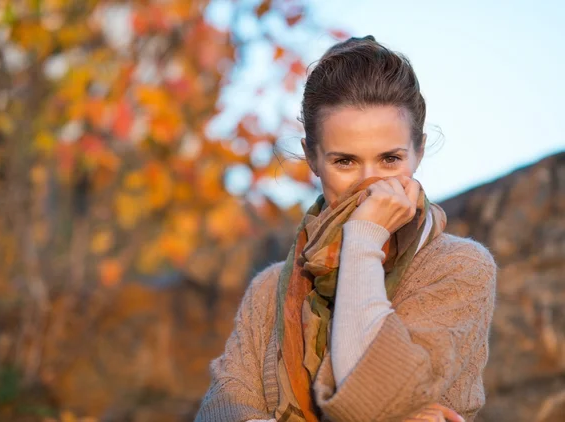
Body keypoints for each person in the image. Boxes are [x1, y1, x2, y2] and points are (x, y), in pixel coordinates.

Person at [194, 35, 497, 422]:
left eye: (390, 159)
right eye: (345, 162)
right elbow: (218, 413)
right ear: (312, 158)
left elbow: (367, 401)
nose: (370, 185)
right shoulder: (269, 291)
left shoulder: (459, 269)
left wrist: (362, 238)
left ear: (418, 151)